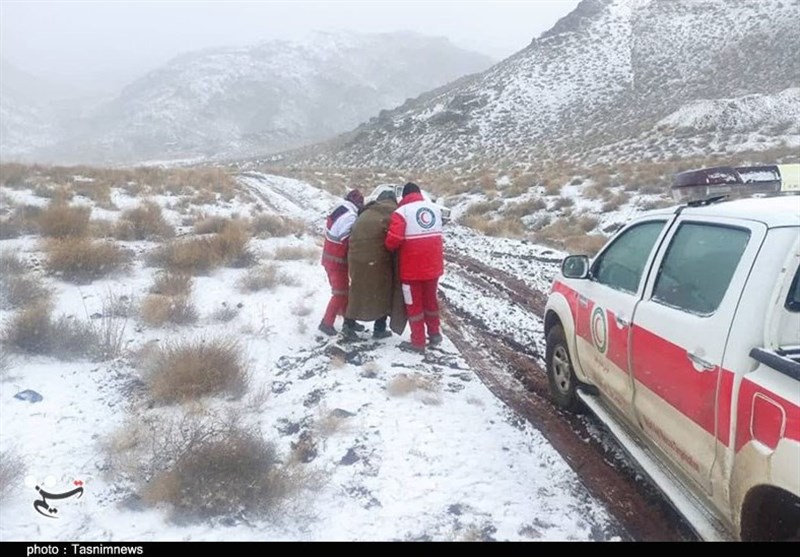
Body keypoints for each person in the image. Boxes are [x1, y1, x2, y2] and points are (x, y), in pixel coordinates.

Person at [385, 182, 444, 353]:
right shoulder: (434, 209)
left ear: (403, 196)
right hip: (433, 268)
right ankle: (434, 334)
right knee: (430, 301)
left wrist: (387, 246)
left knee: (414, 305)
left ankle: (418, 342)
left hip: (412, 270)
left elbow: (394, 240)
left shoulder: (401, 212)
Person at [343, 187, 407, 340]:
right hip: (377, 259)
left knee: (357, 291)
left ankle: (348, 324)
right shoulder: (393, 213)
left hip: (355, 258)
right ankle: (379, 328)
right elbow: (395, 240)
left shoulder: (367, 211)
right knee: (384, 291)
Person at [318, 189, 364, 336]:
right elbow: (347, 240)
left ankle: (348, 320)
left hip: (330, 257)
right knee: (339, 293)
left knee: (344, 292)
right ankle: (326, 323)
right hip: (337, 261)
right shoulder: (350, 216)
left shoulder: (340, 208)